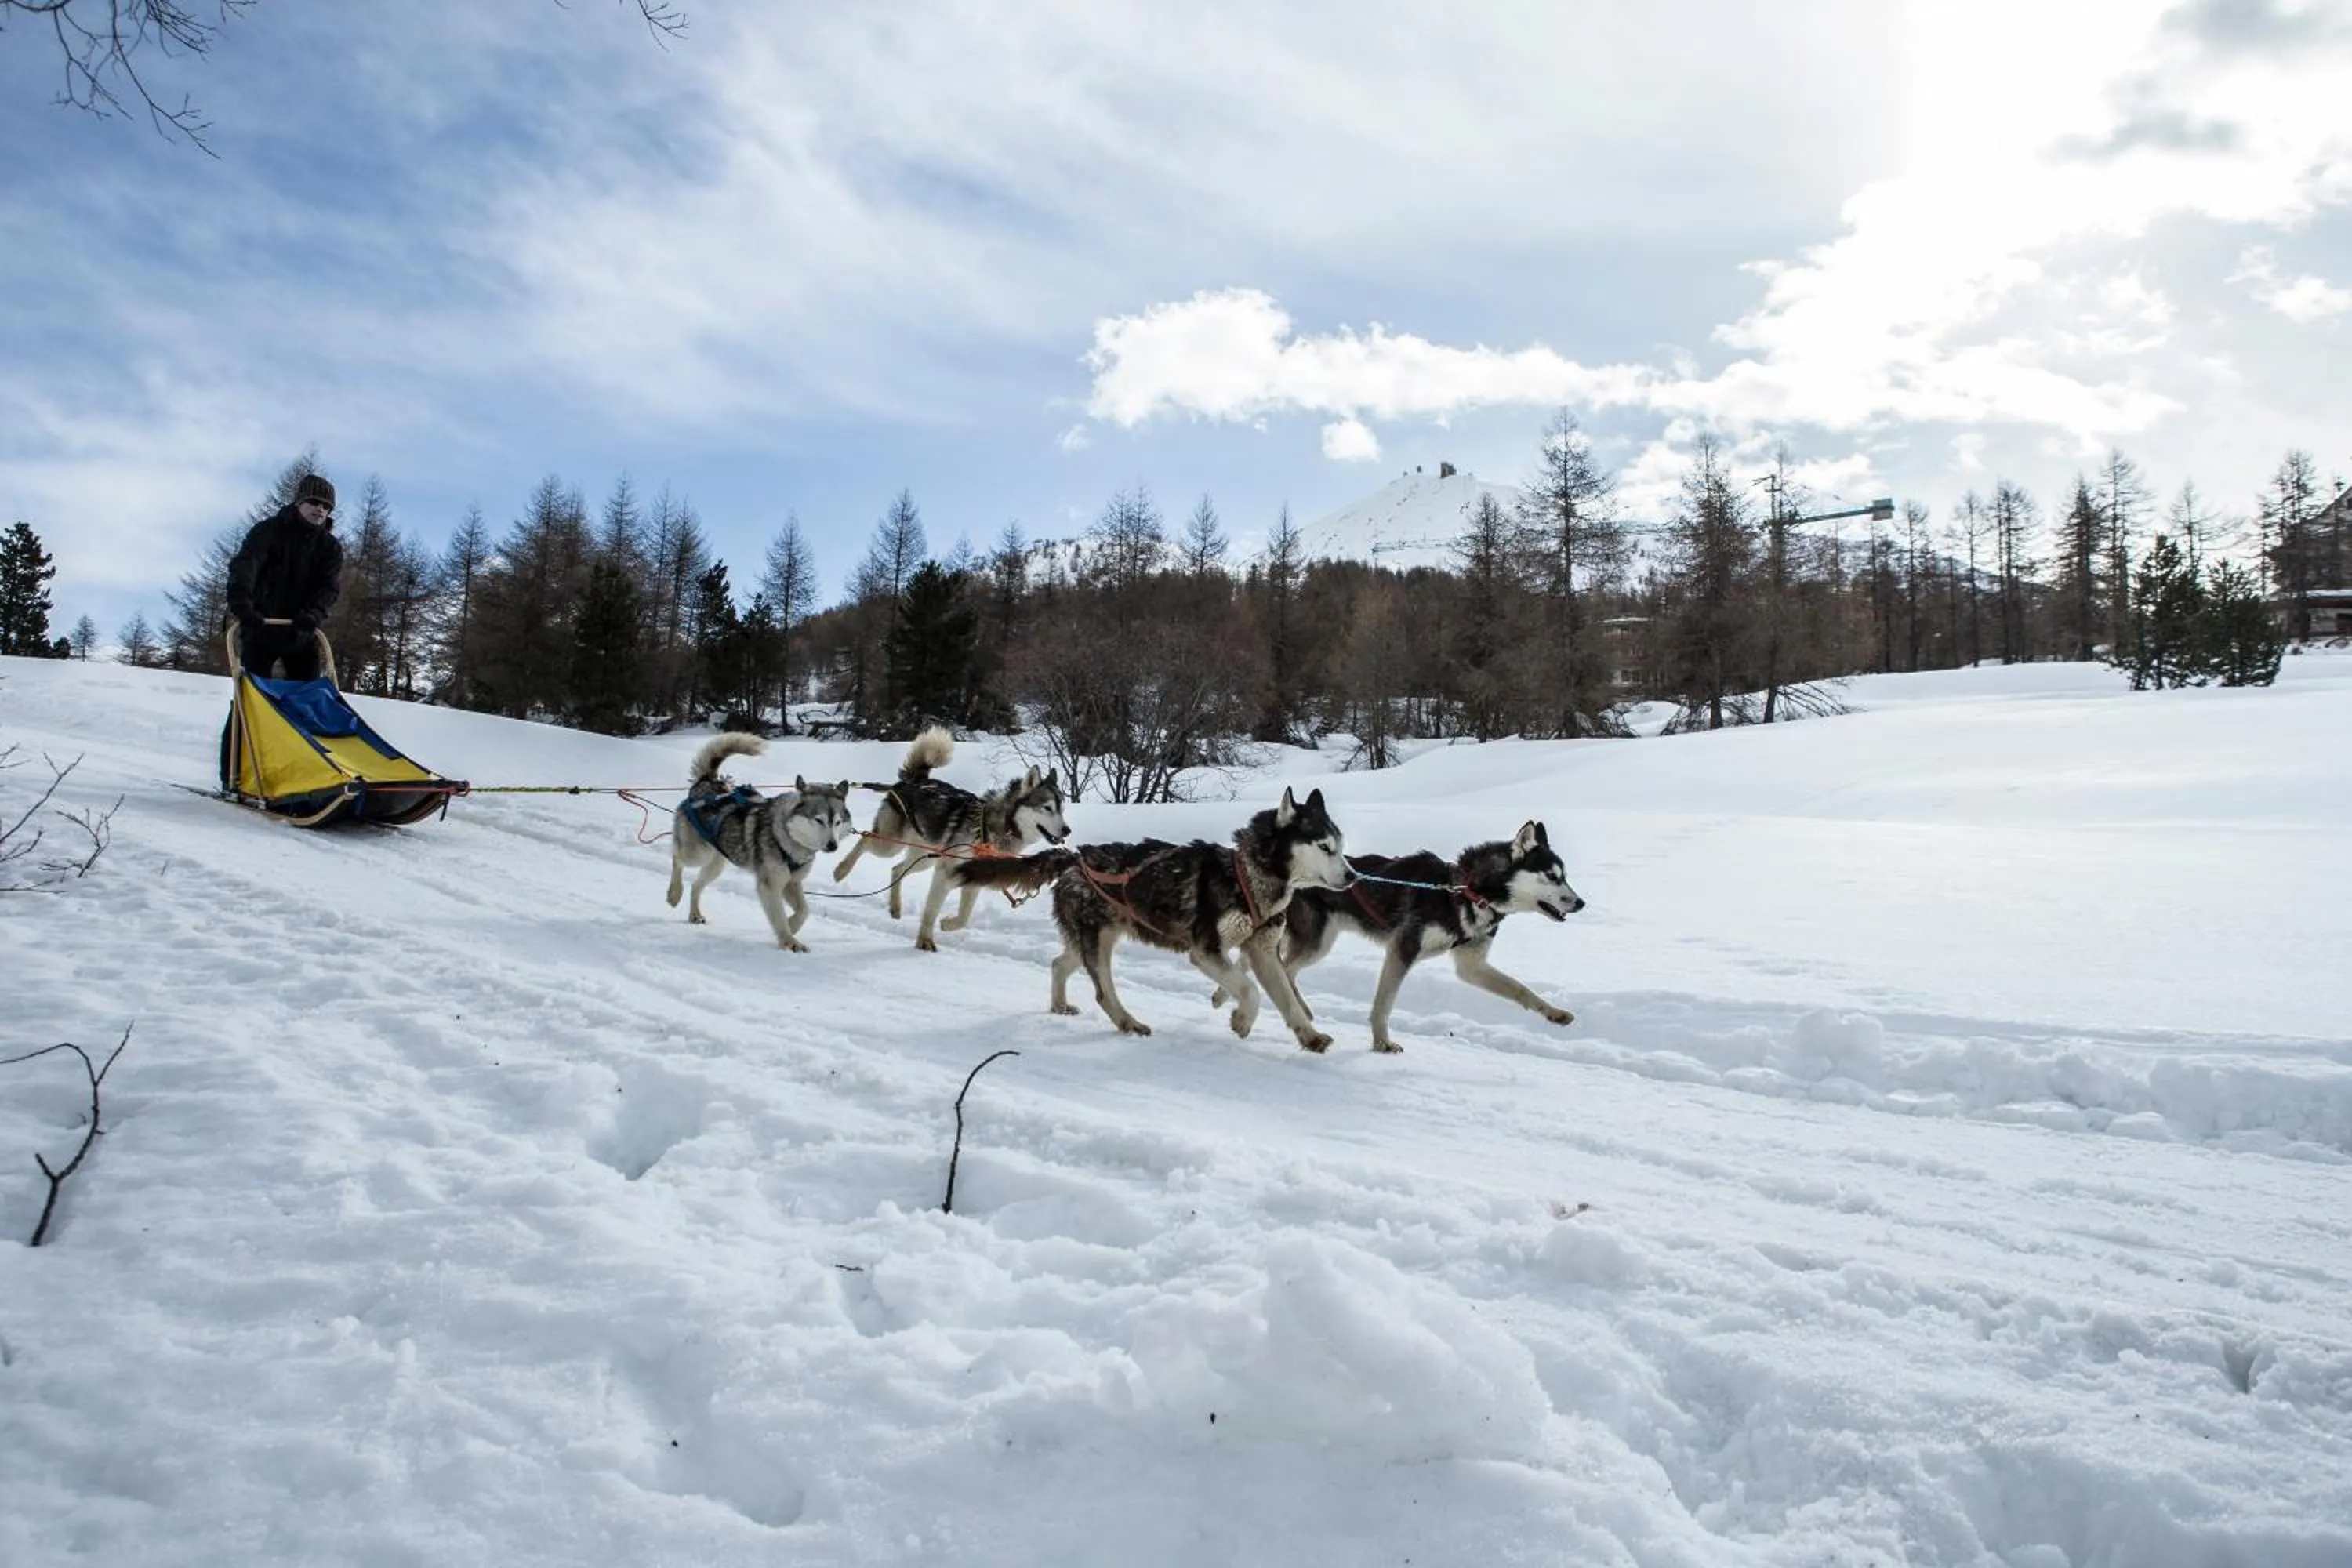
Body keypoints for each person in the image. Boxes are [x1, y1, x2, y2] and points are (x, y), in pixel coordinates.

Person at [226, 473, 343, 681]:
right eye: (314, 502)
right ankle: (242, 713)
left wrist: (314, 614)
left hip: (300, 630)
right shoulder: (268, 531)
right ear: (299, 502)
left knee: (307, 696)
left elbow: (328, 587)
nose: (320, 510)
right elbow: (246, 566)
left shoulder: (330, 548)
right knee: (253, 693)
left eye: (326, 507)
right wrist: (243, 606)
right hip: (261, 625)